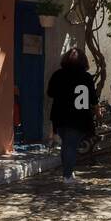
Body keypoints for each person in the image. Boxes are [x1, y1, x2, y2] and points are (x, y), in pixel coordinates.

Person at [46, 47, 98, 182]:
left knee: (66, 145)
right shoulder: (86, 77)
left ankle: (68, 172)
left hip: (60, 115)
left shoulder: (58, 74)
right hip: (78, 116)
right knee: (71, 146)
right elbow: (92, 98)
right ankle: (67, 175)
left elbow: (50, 93)